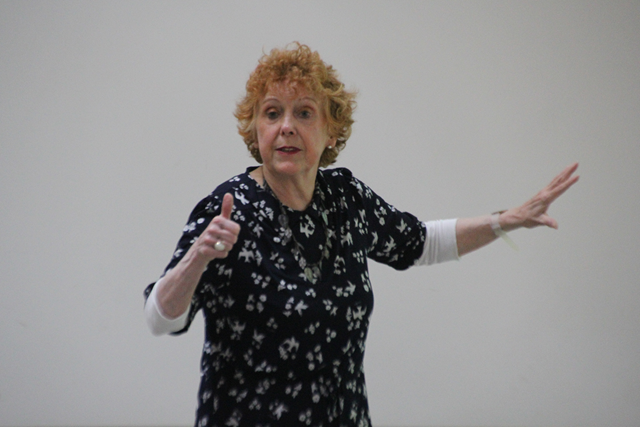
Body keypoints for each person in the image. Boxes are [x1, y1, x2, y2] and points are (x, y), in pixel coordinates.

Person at [144, 42, 579, 427]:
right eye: (272, 113)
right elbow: (161, 319)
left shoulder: (344, 198)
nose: (286, 126)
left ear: (331, 131)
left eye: (304, 113)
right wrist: (198, 258)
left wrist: (505, 220)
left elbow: (419, 242)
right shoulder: (229, 208)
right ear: (255, 130)